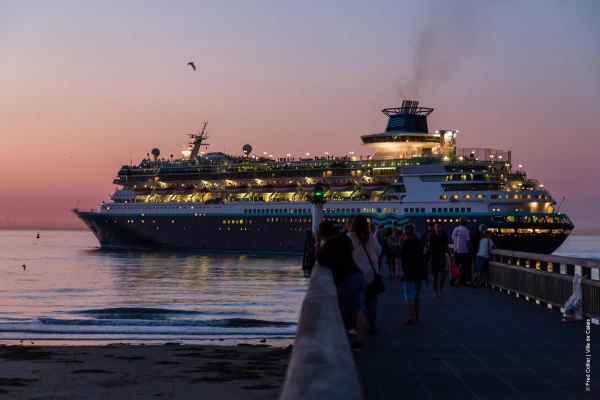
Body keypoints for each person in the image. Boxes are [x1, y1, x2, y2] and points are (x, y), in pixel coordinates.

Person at [315, 220, 367, 351]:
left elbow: (319, 260)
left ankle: (338, 342)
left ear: (320, 234)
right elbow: (353, 249)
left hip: (345, 281)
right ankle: (359, 342)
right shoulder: (343, 239)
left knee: (340, 313)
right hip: (358, 276)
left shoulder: (324, 250)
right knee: (359, 310)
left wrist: (317, 243)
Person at [347, 215, 381, 336]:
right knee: (371, 300)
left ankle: (357, 326)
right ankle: (372, 324)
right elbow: (379, 251)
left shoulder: (349, 237)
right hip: (370, 274)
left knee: (357, 302)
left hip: (355, 273)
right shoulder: (372, 237)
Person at [400, 223, 425, 325]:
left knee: (409, 295)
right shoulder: (420, 242)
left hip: (408, 272)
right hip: (418, 272)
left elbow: (402, 258)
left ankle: (411, 317)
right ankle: (417, 316)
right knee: (416, 295)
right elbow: (422, 257)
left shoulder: (404, 244)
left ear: (405, 232)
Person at [428, 223, 452, 298]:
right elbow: (429, 247)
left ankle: (441, 288)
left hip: (442, 257)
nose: (438, 228)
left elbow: (446, 246)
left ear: (441, 227)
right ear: (435, 228)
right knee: (435, 276)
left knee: (443, 274)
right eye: (437, 227)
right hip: (434, 257)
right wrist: (428, 258)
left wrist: (451, 256)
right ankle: (435, 291)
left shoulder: (444, 236)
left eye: (439, 227)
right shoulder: (432, 236)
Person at [452, 217, 472, 286]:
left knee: (456, 267)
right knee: (464, 267)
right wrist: (470, 249)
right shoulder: (466, 230)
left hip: (456, 250)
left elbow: (453, 240)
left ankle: (455, 281)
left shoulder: (455, 229)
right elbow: (467, 241)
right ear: (465, 222)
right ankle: (462, 281)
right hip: (464, 251)